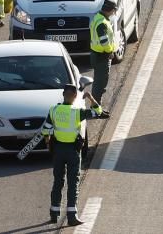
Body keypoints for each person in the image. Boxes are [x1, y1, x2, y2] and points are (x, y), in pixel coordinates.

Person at [42, 84, 105, 226]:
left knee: (58, 181)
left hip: (58, 150)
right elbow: (98, 112)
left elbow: (46, 130)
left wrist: (48, 144)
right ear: (75, 96)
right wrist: (89, 97)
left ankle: (54, 213)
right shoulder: (77, 112)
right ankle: (71, 216)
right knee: (73, 183)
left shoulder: (54, 110)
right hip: (73, 152)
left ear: (63, 95)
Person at [89, 0, 118, 102]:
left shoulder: (99, 18)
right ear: (111, 10)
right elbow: (104, 41)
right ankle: (96, 106)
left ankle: (97, 105)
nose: (114, 13)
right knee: (100, 83)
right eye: (114, 10)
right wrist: (110, 51)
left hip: (98, 55)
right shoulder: (102, 23)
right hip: (101, 56)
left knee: (100, 81)